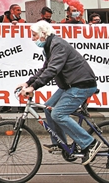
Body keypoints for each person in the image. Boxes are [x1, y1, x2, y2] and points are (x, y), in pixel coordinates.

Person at [16, 20, 101, 166]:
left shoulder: (58, 45)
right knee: (48, 108)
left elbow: (53, 70)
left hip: (81, 85)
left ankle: (90, 143)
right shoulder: (50, 46)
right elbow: (45, 69)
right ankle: (61, 143)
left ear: (44, 33)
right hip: (70, 85)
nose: (32, 38)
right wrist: (28, 83)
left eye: (34, 35)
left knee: (58, 114)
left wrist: (34, 87)